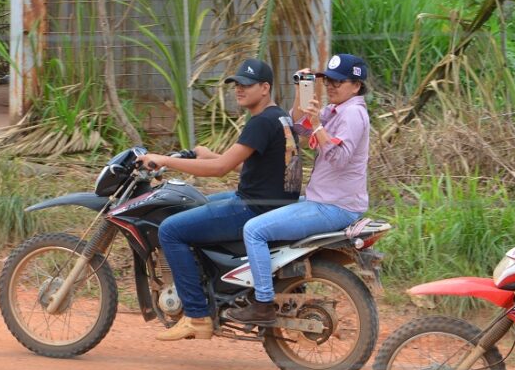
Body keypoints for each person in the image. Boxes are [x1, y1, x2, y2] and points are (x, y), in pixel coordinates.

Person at [136, 58, 301, 341]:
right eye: (236, 84)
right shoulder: (279, 117)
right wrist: (210, 154)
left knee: (171, 230)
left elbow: (220, 170)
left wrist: (164, 160)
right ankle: (216, 287)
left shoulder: (260, 123)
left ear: (265, 88)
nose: (239, 89)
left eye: (246, 85)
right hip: (271, 202)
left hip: (253, 208)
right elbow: (248, 166)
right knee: (199, 206)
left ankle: (197, 315)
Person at [226, 54, 371, 325]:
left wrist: (317, 124)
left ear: (357, 86)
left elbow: (339, 158)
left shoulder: (352, 114)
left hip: (333, 207)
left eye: (338, 82)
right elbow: (295, 129)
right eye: (327, 80)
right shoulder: (337, 109)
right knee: (275, 210)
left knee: (254, 230)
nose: (330, 86)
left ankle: (263, 304)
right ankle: (288, 287)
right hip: (326, 200)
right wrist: (300, 99)